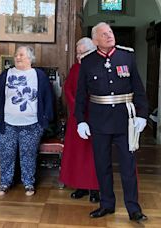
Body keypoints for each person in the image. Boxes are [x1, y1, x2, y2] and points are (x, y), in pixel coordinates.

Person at [75, 22, 148, 222]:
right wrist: (81, 120)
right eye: (104, 34)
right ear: (95, 40)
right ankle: (107, 204)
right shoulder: (88, 61)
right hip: (99, 121)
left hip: (125, 120)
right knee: (102, 165)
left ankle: (133, 208)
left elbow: (139, 89)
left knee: (128, 166)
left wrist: (142, 115)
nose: (109, 36)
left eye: (110, 32)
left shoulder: (127, 56)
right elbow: (81, 95)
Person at [0, 46, 53, 196]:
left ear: (30, 58)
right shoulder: (5, 75)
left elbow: (48, 98)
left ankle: (28, 183)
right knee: (6, 154)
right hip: (7, 124)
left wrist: (45, 120)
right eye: (16, 55)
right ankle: (5, 182)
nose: (17, 57)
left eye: (21, 55)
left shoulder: (39, 76)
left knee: (29, 155)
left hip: (32, 124)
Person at [59, 37, 100, 203]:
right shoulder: (75, 68)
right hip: (77, 118)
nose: (79, 57)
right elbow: (68, 89)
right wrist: (78, 108)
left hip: (96, 118)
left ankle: (96, 189)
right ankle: (80, 186)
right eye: (78, 54)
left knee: (94, 156)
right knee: (77, 155)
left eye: (82, 53)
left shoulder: (100, 67)